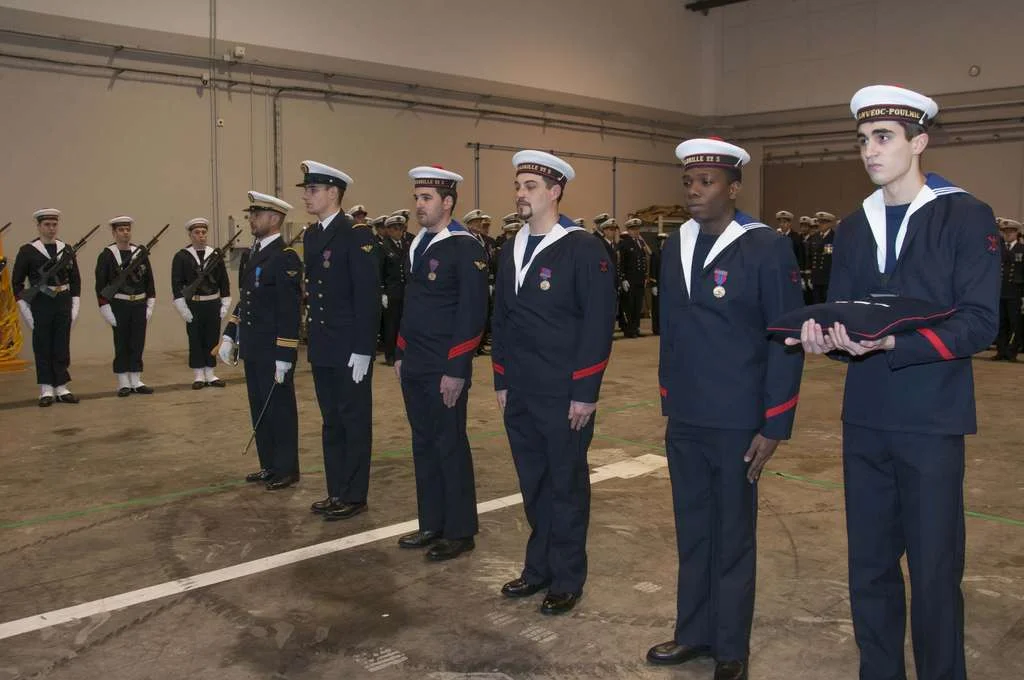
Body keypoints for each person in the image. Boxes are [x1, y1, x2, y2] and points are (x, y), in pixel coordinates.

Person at [788, 85, 999, 680]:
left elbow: (980, 321)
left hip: (931, 420)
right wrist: (827, 340)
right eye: (862, 140)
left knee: (934, 571)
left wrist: (893, 344)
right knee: (870, 568)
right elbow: (850, 316)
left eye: (884, 138)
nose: (870, 151)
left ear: (920, 142)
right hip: (866, 418)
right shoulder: (853, 227)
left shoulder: (965, 215)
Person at [646, 138, 804, 680]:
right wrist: (668, 396)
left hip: (739, 418)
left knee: (733, 533)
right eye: (688, 182)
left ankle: (731, 645)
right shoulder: (674, 244)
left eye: (707, 182)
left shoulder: (765, 246)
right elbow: (672, 331)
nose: (694, 191)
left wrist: (775, 421)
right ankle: (693, 632)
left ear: (734, 188)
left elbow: (786, 337)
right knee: (692, 528)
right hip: (686, 414)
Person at [491, 150, 616, 615]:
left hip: (564, 394)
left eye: (530, 187)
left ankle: (566, 577)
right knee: (533, 482)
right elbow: (501, 318)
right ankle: (538, 567)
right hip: (520, 390)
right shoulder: (512, 246)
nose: (520, 194)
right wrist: (501, 378)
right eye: (518, 186)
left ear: (555, 190)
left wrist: (585, 392)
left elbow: (598, 326)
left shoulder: (582, 247)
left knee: (565, 485)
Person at [394, 166, 488, 560]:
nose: (419, 204)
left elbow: (473, 312)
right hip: (415, 362)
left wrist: (457, 369)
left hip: (443, 366)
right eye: (417, 197)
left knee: (449, 444)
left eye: (427, 198)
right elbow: (412, 304)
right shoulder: (419, 244)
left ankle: (460, 530)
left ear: (447, 202)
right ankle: (431, 522)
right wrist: (400, 351)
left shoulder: (465, 246)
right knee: (423, 444)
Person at [299, 160, 381, 521]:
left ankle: (355, 494)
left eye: (312, 190)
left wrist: (364, 348)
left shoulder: (356, 234)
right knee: (331, 420)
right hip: (324, 345)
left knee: (353, 420)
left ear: (333, 193)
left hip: (350, 348)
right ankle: (336, 491)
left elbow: (367, 296)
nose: (306, 196)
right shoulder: (312, 235)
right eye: (306, 189)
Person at [219, 191, 303, 490]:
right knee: (260, 407)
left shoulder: (285, 257)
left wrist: (285, 354)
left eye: (256, 214)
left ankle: (287, 468)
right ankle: (268, 464)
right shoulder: (252, 255)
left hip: (272, 348)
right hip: (253, 346)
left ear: (275, 218)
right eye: (251, 214)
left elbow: (289, 310)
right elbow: (247, 300)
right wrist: (230, 334)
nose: (251, 219)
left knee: (279, 408)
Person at [12, 209, 82, 406]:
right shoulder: (28, 251)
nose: (51, 229)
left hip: (62, 299)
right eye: (47, 225)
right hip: (41, 301)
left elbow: (75, 279)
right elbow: (17, 283)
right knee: (42, 345)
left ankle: (61, 386)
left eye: (54, 225)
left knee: (61, 343)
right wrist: (24, 308)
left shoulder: (66, 249)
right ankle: (46, 388)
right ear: (39, 226)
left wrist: (75, 302)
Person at [94, 216, 156, 397]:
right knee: (121, 343)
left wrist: (150, 303)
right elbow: (101, 285)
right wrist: (105, 308)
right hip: (119, 304)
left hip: (138, 303)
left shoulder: (139, 253)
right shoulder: (107, 255)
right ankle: (123, 382)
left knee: (137, 342)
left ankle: (136, 379)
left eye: (128, 229)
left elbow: (149, 281)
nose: (125, 233)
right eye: (121, 230)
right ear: (114, 233)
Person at [171, 218, 232, 388]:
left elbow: (224, 282)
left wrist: (225, 303)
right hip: (194, 304)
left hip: (212, 303)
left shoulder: (214, 255)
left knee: (212, 338)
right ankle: (198, 375)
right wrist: (182, 308)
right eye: (197, 233)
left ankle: (211, 374)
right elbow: (176, 284)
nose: (201, 236)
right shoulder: (182, 257)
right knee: (195, 339)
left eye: (204, 232)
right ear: (190, 235)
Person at [994, 218, 1023, 361]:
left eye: (1010, 232)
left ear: (1017, 233)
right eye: (1005, 232)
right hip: (1000, 291)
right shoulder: (999, 249)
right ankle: (1001, 351)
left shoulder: (1021, 250)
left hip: (1015, 292)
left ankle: (1012, 352)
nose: (1007, 235)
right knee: (1001, 322)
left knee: (1015, 323)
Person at [379, 214, 407, 366]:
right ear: (388, 230)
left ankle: (402, 353)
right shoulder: (383, 247)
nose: (399, 232)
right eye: (395, 229)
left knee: (403, 324)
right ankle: (390, 355)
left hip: (404, 292)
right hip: (391, 292)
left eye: (400, 228)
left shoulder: (405, 244)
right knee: (391, 325)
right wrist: (382, 291)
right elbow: (379, 270)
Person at [618, 217, 650, 337]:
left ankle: (636, 327)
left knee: (637, 306)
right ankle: (630, 329)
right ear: (628, 230)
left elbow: (644, 260)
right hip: (630, 280)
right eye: (633, 229)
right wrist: (623, 279)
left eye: (637, 229)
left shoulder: (640, 243)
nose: (636, 231)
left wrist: (645, 276)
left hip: (639, 280)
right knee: (630, 306)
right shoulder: (625, 244)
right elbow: (621, 263)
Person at [806, 211, 836, 303]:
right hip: (816, 276)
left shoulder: (834, 237)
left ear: (830, 223)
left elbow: (833, 258)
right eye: (819, 222)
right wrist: (809, 276)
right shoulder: (814, 237)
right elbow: (810, 257)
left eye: (823, 222)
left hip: (828, 277)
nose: (820, 225)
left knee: (826, 301)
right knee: (816, 302)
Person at [650, 232, 667, 335]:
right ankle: (656, 328)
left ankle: (663, 327)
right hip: (658, 284)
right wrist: (653, 285)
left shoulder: (668, 253)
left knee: (664, 307)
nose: (664, 243)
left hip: (666, 286)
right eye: (663, 241)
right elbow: (652, 270)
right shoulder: (655, 254)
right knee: (656, 308)